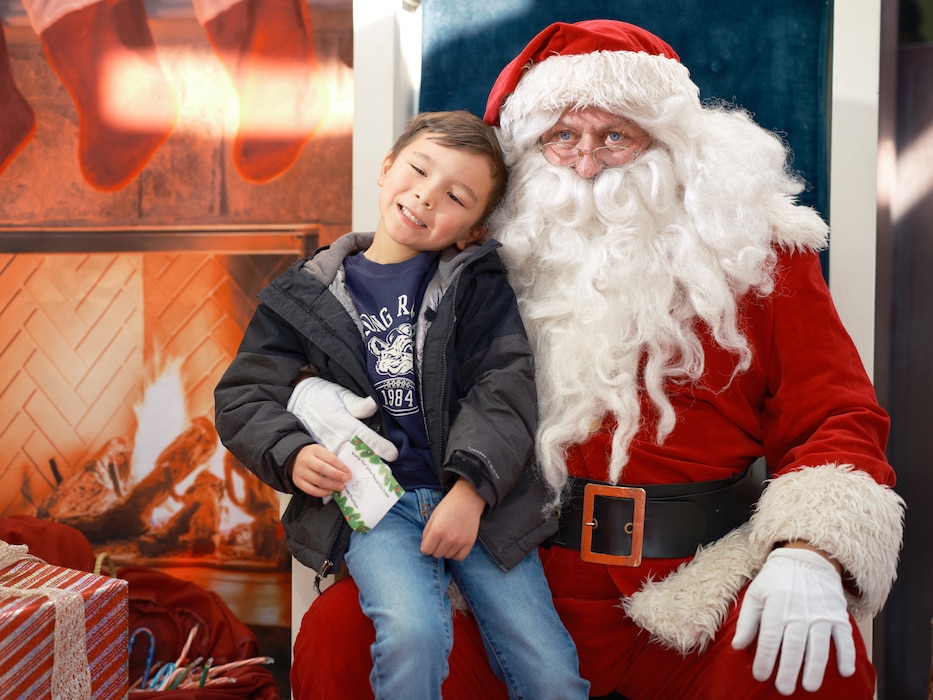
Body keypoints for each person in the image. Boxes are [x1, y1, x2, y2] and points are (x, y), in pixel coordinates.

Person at [286, 19, 907, 700]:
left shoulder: (756, 257)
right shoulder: (464, 269)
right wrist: (310, 399)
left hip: (689, 591)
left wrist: (811, 552)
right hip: (505, 573)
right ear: (527, 152)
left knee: (816, 656)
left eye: (614, 136)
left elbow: (836, 416)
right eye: (561, 138)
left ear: (667, 143)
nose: (585, 165)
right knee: (346, 633)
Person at [214, 110, 589, 700]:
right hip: (377, 508)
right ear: (387, 169)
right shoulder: (306, 293)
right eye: (418, 170)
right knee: (411, 636)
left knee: (549, 670)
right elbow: (244, 393)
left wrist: (470, 492)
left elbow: (504, 388)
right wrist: (292, 454)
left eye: (455, 196)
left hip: (482, 506)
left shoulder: (477, 285)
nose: (425, 196)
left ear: (472, 229)